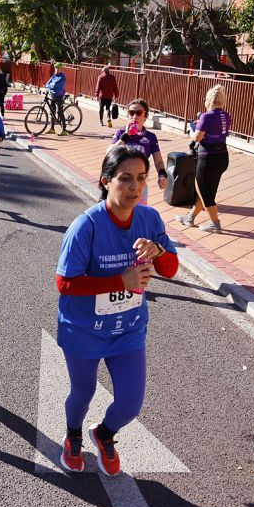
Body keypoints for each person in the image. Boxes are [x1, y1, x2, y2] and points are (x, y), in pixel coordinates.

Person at [55, 145, 179, 475]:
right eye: (125, 179)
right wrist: (119, 281)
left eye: (141, 178)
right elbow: (65, 283)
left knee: (130, 403)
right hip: (84, 330)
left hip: (128, 330)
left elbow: (171, 269)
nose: (135, 187)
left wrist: (158, 251)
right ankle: (73, 435)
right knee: (83, 392)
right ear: (106, 181)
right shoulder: (86, 226)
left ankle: (104, 433)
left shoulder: (150, 218)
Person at [176, 85, 232, 233]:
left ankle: (215, 223)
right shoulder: (226, 115)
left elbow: (198, 138)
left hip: (208, 157)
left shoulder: (206, 116)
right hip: (222, 156)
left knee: (203, 189)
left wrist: (191, 130)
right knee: (207, 188)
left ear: (208, 100)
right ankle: (190, 217)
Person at [107, 99, 167, 204]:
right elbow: (109, 153)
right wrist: (125, 137)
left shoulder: (151, 137)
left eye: (139, 113)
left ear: (146, 116)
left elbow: (158, 161)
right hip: (121, 182)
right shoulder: (121, 133)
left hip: (139, 183)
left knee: (139, 213)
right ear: (128, 115)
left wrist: (162, 175)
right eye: (131, 113)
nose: (134, 116)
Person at [43, 62, 68, 135]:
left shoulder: (62, 77)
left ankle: (64, 130)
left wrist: (50, 86)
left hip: (59, 96)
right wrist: (49, 86)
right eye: (55, 68)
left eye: (58, 68)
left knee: (59, 112)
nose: (56, 69)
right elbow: (48, 84)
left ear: (61, 68)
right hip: (52, 96)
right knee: (52, 112)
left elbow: (54, 85)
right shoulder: (54, 76)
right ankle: (52, 129)